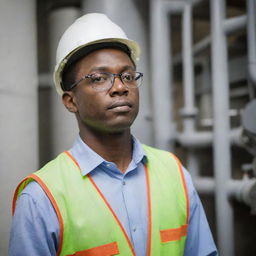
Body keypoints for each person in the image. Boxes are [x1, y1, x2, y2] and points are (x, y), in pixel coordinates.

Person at [9, 13, 217, 256]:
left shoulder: (174, 173)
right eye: (99, 78)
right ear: (70, 101)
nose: (120, 87)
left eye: (127, 76)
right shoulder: (41, 198)